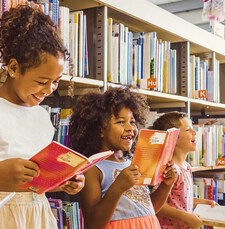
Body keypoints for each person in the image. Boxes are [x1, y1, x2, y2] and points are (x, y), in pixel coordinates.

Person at [0, 5, 85, 229]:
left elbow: (36, 182)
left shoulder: (42, 116)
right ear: (13, 68)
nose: (49, 89)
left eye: (56, 81)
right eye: (41, 81)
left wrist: (63, 182)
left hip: (38, 212)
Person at [69, 87, 178, 229]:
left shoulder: (133, 162)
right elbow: (93, 223)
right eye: (121, 122)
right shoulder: (93, 168)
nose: (130, 128)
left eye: (132, 122)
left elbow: (150, 209)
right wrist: (118, 187)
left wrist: (167, 184)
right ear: (100, 129)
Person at [151, 111, 217, 229]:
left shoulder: (186, 167)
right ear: (173, 138)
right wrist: (186, 217)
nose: (194, 132)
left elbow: (180, 198)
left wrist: (205, 203)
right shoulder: (168, 169)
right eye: (188, 130)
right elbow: (157, 204)